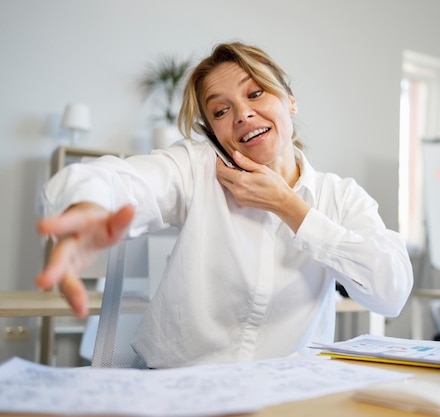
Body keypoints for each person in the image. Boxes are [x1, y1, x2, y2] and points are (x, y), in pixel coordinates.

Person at [36, 42, 413, 368]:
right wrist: (84, 206)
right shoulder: (198, 167)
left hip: (282, 399)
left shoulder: (340, 197)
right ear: (213, 131)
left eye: (255, 94)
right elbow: (122, 180)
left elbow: (390, 293)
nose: (243, 115)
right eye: (220, 111)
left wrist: (290, 208)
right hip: (182, 392)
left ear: (291, 101)